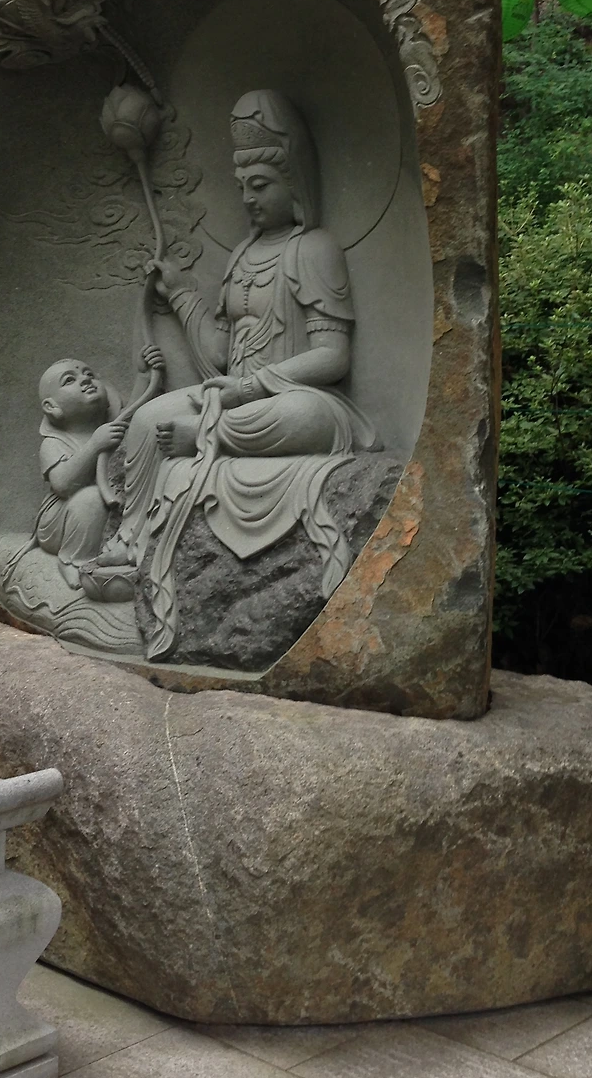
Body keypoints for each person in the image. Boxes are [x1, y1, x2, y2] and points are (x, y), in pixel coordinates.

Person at [100, 90, 376, 656]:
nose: (249, 198)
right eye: (243, 185)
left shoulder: (314, 249)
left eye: (262, 185)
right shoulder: (240, 258)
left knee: (300, 413)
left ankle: (209, 439)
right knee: (148, 419)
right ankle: (131, 539)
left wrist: (249, 389)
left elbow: (332, 356)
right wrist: (181, 293)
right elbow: (220, 356)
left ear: (294, 185)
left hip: (290, 400)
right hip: (229, 395)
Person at [32, 346, 163, 598]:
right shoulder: (53, 443)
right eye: (69, 380)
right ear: (52, 407)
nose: (85, 380)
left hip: (112, 511)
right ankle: (73, 560)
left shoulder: (114, 424)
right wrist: (94, 445)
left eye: (88, 374)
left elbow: (138, 409)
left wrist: (146, 374)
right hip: (62, 520)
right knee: (91, 499)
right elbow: (62, 483)